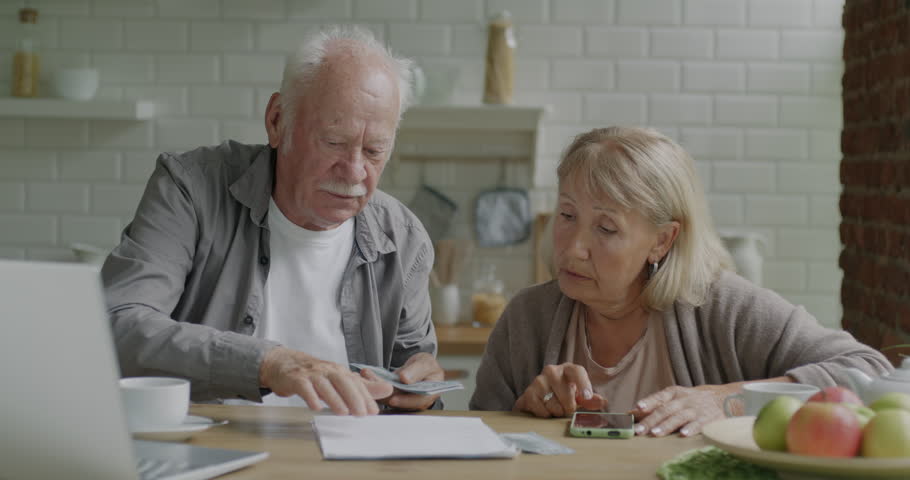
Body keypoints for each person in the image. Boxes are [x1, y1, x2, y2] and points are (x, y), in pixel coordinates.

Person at [102, 26, 444, 416]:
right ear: (277, 120)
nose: (353, 172)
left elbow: (414, 383)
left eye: (373, 151)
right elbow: (118, 327)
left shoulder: (404, 239)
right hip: (206, 452)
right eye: (333, 142)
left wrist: (423, 390)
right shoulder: (191, 189)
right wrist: (269, 364)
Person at [469, 126, 892, 436]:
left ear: (662, 240)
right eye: (566, 215)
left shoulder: (724, 307)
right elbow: (481, 437)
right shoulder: (527, 316)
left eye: (606, 228)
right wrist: (525, 411)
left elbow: (869, 370)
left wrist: (726, 399)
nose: (574, 246)